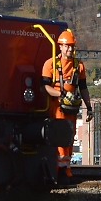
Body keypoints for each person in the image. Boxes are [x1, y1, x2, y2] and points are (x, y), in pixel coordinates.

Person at [41, 29, 93, 181]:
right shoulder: (50, 64)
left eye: (72, 46)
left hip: (71, 108)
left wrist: (89, 108)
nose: (70, 49)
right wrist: (62, 94)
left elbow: (83, 88)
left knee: (70, 138)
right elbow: (44, 87)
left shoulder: (79, 66)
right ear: (60, 47)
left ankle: (66, 170)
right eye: (67, 46)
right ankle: (58, 170)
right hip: (57, 107)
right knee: (60, 138)